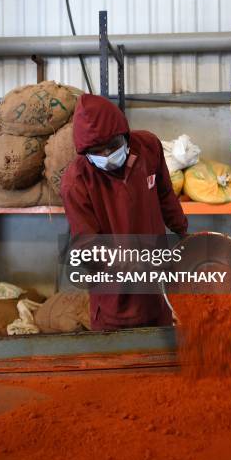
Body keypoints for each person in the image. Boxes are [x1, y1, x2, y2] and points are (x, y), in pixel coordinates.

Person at [61, 93, 188, 331]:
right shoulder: (76, 182)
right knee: (120, 360)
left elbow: (165, 194)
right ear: (85, 152)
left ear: (125, 135)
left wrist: (183, 233)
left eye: (113, 146)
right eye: (98, 151)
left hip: (156, 291)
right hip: (114, 298)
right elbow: (89, 247)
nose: (107, 156)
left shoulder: (148, 147)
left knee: (161, 356)